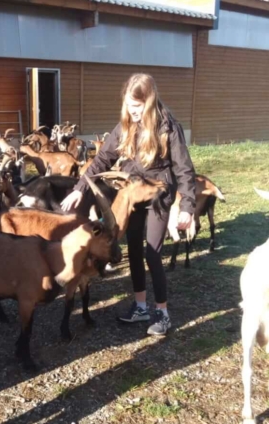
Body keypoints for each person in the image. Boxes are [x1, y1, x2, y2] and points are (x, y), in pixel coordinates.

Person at [61, 73, 196, 336]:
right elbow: (101, 160)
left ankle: (162, 312)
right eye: (129, 107)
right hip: (132, 194)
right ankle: (141, 306)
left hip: (158, 194)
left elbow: (185, 170)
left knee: (152, 252)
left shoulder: (168, 127)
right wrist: (79, 190)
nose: (133, 112)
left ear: (149, 101)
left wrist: (188, 206)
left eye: (137, 107)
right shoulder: (125, 127)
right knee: (132, 249)